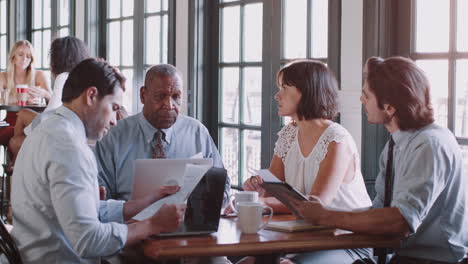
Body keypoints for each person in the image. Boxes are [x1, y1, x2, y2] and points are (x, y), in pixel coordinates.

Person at [289, 57, 468, 264]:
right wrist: (322, 214)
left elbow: (399, 221)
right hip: (403, 257)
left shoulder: (430, 145)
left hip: (434, 261)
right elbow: (380, 212)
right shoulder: (395, 144)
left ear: (389, 107)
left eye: (366, 95)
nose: (361, 100)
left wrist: (324, 217)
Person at [11, 58, 185, 263]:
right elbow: (88, 240)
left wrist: (145, 202)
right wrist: (153, 225)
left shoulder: (50, 130)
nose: (114, 120)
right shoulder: (69, 146)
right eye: (113, 107)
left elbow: (82, 214)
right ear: (91, 96)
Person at [239, 60, 372, 263]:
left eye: (284, 88)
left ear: (306, 92)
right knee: (248, 262)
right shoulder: (288, 134)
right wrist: (257, 189)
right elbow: (273, 190)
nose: (277, 95)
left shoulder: (336, 139)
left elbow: (315, 206)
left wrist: (261, 202)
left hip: (348, 243)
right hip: (304, 239)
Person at [94, 64, 229, 202]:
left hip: (188, 220)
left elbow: (222, 187)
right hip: (128, 222)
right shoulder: (114, 136)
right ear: (143, 95)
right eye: (161, 96)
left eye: (176, 97)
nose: (169, 105)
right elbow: (100, 198)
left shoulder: (197, 133)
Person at [8, 36, 90, 162]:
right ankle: (17, 164)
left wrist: (29, 131)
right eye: (20, 54)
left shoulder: (62, 77)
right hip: (68, 125)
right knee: (23, 113)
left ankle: (17, 166)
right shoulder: (82, 76)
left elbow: (52, 112)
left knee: (14, 142)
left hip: (59, 129)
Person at [0, 40, 51, 105]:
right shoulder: (3, 76)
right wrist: (23, 98)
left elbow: (54, 101)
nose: (24, 59)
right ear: (13, 57)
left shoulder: (39, 75)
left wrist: (45, 94)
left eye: (28, 56)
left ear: (31, 60)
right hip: (11, 115)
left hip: (34, 114)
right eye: (20, 55)